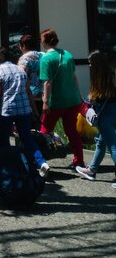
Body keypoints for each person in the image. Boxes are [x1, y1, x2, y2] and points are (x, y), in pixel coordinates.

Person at [0, 47, 48, 176]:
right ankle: (42, 163)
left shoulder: (0, 70)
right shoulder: (21, 70)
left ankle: (9, 166)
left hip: (7, 110)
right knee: (27, 137)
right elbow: (29, 91)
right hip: (24, 109)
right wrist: (35, 110)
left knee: (3, 138)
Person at [39, 28, 85, 169]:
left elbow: (47, 82)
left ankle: (40, 161)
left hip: (57, 101)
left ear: (44, 41)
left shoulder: (46, 58)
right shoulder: (68, 55)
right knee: (72, 131)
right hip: (73, 100)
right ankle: (79, 161)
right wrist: (79, 95)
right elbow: (73, 77)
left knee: (44, 132)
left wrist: (45, 102)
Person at [76, 50, 116, 185]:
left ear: (96, 64)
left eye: (90, 63)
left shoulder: (99, 79)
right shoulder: (113, 74)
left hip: (104, 115)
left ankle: (92, 170)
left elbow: (95, 98)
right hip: (114, 110)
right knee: (101, 142)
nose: (89, 66)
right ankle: (92, 170)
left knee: (113, 146)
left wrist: (88, 102)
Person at [17, 33, 44, 102]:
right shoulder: (43, 55)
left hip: (31, 95)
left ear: (23, 46)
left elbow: (21, 76)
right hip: (45, 93)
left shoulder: (25, 58)